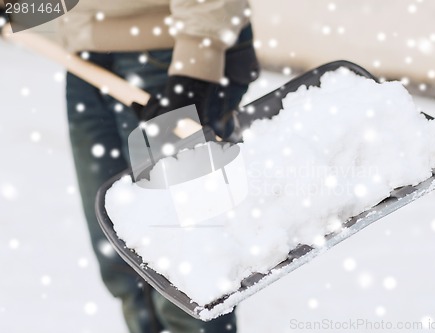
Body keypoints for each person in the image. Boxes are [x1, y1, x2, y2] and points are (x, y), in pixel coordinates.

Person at [1, 1, 259, 332]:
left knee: (185, 272)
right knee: (122, 257)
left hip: (168, 58)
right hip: (86, 59)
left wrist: (191, 73)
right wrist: (25, 10)